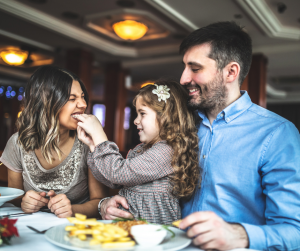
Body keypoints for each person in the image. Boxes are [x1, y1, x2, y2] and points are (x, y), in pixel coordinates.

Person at [100, 22, 300, 251]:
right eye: (185, 67)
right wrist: (107, 204)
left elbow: (295, 231)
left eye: (195, 68)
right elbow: (142, 180)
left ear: (231, 72)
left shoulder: (276, 134)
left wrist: (239, 234)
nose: (184, 78)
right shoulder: (177, 123)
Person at [75, 80, 199, 225]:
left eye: (142, 114)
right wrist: (93, 147)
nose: (135, 120)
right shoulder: (141, 150)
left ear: (165, 116)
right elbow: (113, 181)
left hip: (152, 232)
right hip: (130, 227)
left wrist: (100, 138)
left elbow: (119, 173)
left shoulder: (168, 151)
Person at [0, 65, 108, 218]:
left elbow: (100, 201)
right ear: (44, 104)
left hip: (76, 230)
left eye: (83, 96)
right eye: (72, 99)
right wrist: (24, 201)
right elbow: (15, 198)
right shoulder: (17, 143)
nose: (83, 104)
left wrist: (72, 210)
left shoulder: (88, 142)